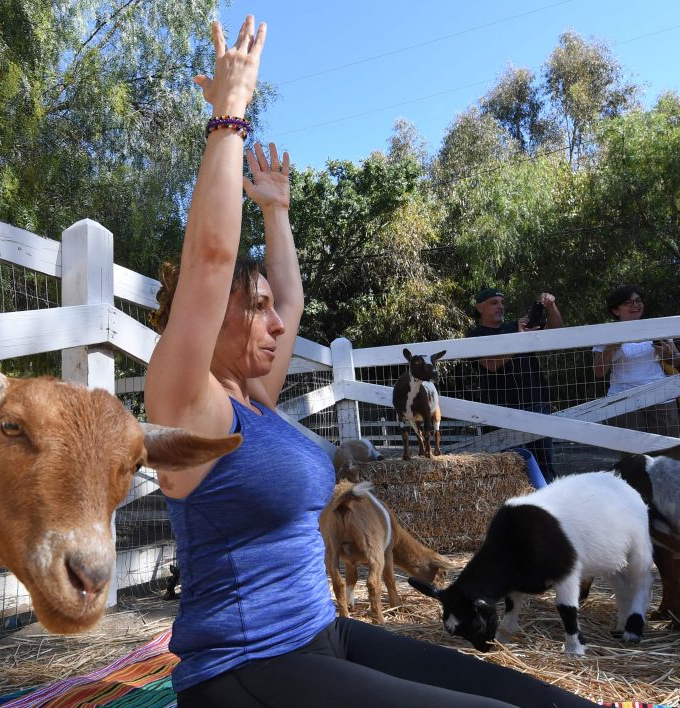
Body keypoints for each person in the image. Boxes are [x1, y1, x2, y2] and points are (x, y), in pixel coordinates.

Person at [144, 15, 595, 707]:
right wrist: (229, 115)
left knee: (549, 702)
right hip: (244, 673)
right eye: (253, 307)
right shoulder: (185, 404)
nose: (275, 323)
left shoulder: (254, 397)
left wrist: (277, 211)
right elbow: (209, 261)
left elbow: (291, 297)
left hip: (324, 636)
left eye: (271, 308)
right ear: (204, 319)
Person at [466, 287, 562, 482]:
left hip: (536, 404)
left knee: (545, 467)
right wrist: (519, 340)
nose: (500, 306)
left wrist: (551, 306)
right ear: (479, 308)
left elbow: (557, 331)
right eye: (494, 302)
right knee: (503, 470)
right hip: (498, 411)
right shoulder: (475, 335)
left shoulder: (515, 327)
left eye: (502, 302)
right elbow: (491, 365)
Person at [592, 284, 680, 443]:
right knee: (631, 456)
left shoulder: (658, 327)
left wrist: (669, 355)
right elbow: (599, 372)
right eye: (628, 302)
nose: (636, 305)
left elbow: (677, 361)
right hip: (623, 400)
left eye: (638, 301)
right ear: (615, 310)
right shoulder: (606, 333)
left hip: (661, 396)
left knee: (669, 451)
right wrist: (611, 345)